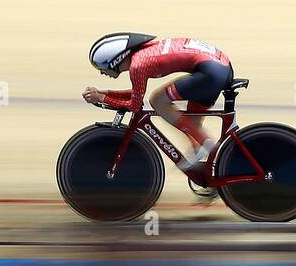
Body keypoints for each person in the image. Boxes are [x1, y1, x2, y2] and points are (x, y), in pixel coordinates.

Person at [83, 33, 234, 178]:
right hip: (219, 67)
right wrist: (102, 93)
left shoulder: (137, 66)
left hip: (210, 72)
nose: (102, 72)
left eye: (101, 65)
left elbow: (135, 106)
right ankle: (212, 174)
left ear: (115, 59)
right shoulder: (141, 55)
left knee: (158, 100)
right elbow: (136, 93)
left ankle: (205, 142)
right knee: (192, 124)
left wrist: (102, 98)